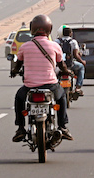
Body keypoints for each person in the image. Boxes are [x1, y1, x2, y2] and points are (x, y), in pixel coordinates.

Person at [11, 14, 73, 142]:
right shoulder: (55, 46)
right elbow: (62, 66)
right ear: (49, 29)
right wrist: (68, 72)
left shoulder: (25, 47)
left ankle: (20, 128)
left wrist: (14, 72)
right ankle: (62, 126)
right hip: (50, 85)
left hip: (30, 87)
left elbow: (17, 65)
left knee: (19, 99)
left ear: (32, 29)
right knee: (61, 98)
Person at [55, 26, 86, 95]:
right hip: (70, 65)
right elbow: (76, 55)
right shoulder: (73, 42)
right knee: (81, 67)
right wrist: (82, 62)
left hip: (59, 65)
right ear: (70, 33)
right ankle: (78, 87)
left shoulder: (56, 41)